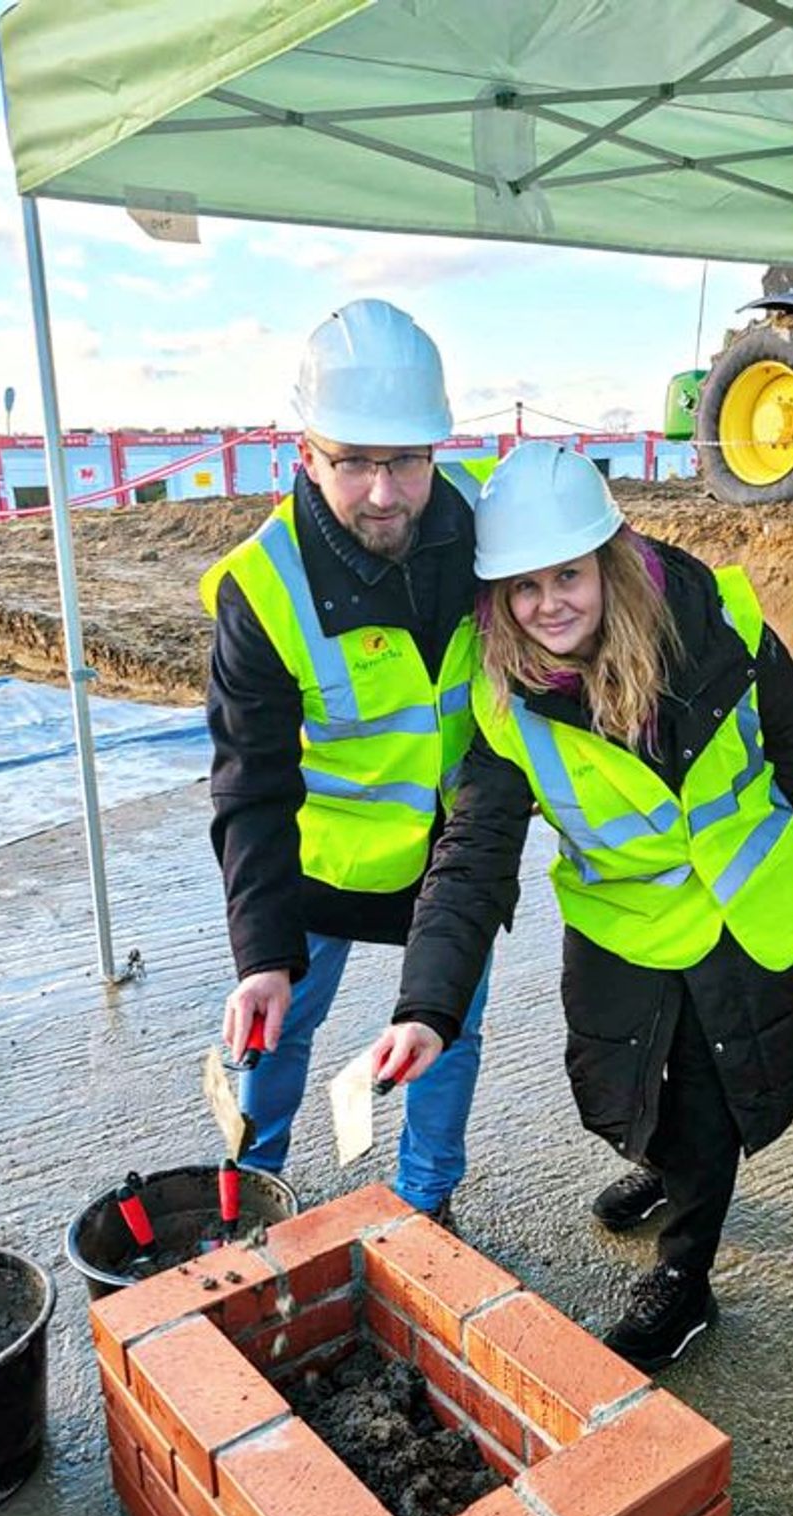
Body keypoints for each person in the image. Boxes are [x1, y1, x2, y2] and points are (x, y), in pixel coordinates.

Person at [372, 441, 793, 1370]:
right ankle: (667, 1165)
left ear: (610, 558)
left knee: (714, 1095)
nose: (547, 601)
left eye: (567, 573)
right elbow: (470, 857)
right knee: (626, 1090)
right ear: (495, 596)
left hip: (738, 910)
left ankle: (687, 1279)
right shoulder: (501, 699)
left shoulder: (717, 624)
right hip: (622, 926)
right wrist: (427, 1007)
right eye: (521, 585)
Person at [201, 299, 489, 1225]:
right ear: (306, 454)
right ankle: (257, 1182)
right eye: (353, 461)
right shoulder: (264, 584)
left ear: (436, 450)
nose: (382, 492)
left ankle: (424, 1199)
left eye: (403, 460)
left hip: (451, 852)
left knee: (446, 1034)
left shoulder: (491, 530)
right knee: (278, 1029)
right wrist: (261, 954)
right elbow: (250, 784)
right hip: (317, 862)